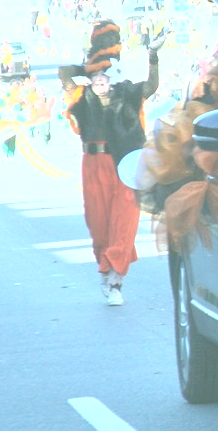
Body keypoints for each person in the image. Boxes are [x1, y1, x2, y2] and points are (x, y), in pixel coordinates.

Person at [61, 19, 164, 306]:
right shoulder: (82, 98)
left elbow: (152, 86)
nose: (100, 84)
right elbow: (65, 76)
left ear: (112, 76)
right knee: (98, 225)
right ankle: (105, 268)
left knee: (124, 222)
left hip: (124, 163)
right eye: (96, 79)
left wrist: (153, 55)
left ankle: (116, 279)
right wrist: (85, 69)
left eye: (104, 78)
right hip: (93, 166)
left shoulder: (128, 93)